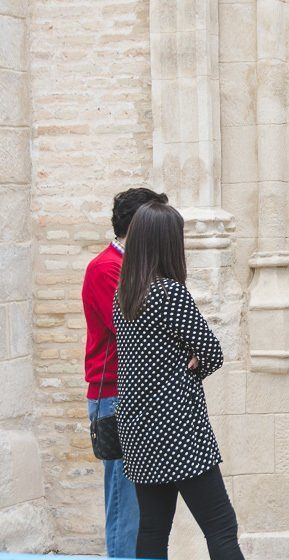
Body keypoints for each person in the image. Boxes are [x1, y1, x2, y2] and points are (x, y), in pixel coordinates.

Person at [114, 202, 244, 559]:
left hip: (138, 428)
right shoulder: (169, 293)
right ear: (167, 243)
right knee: (221, 526)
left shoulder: (123, 295)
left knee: (153, 530)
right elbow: (212, 352)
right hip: (179, 429)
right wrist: (189, 368)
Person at [82, 187, 168, 558]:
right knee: (126, 507)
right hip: (116, 396)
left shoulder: (135, 268)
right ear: (137, 226)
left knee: (148, 507)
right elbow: (137, 328)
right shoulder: (107, 269)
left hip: (139, 393)